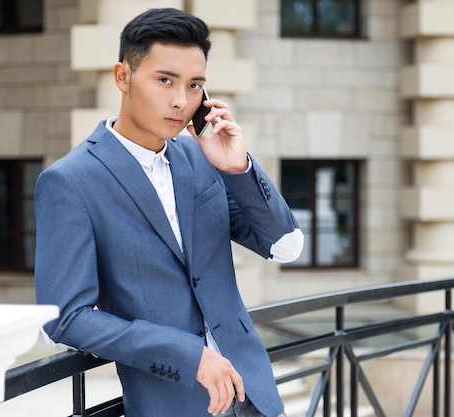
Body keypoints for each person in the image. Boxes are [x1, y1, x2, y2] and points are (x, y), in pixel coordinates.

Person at [34, 7, 303, 417]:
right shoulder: (70, 182)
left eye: (195, 85)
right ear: (123, 77)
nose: (181, 101)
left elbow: (285, 246)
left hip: (256, 397)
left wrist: (239, 168)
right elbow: (64, 319)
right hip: (171, 402)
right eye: (165, 80)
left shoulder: (200, 161)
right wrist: (186, 353)